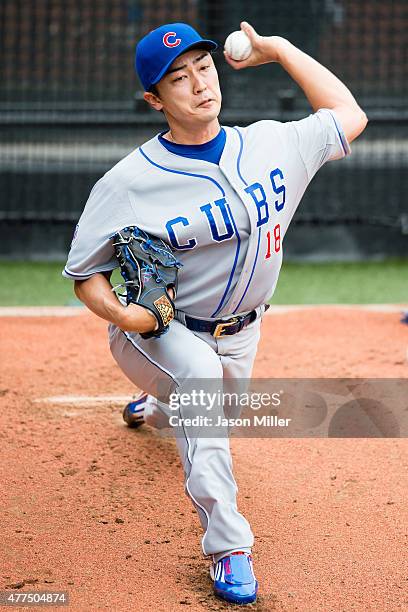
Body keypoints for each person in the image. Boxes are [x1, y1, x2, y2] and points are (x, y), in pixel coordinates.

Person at [63, 21, 367, 605]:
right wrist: (127, 319)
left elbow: (348, 112)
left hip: (244, 331)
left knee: (215, 400)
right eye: (179, 78)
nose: (199, 84)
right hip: (161, 332)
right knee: (199, 386)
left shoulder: (273, 144)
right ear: (155, 100)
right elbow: (84, 276)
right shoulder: (128, 182)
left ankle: (156, 402)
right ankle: (228, 547)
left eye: (204, 67)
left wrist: (278, 50)